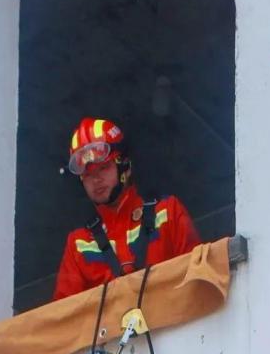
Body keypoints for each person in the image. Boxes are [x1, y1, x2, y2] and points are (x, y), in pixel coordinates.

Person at [53, 117, 201, 301]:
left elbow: (197, 280)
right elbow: (65, 315)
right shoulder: (78, 243)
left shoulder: (167, 212)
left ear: (125, 167)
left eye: (104, 168)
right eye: (87, 174)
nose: (96, 179)